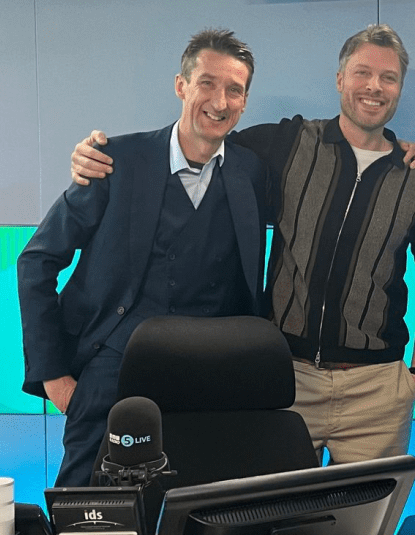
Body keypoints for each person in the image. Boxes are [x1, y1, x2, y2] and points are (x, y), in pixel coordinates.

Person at [70, 24, 415, 466]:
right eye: (362, 73)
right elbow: (198, 140)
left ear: (399, 88)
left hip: (378, 393)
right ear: (340, 79)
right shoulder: (287, 143)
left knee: (367, 513)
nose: (374, 87)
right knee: (277, 510)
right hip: (284, 381)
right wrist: (96, 155)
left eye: (388, 78)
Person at [18, 28, 271, 487]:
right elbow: (37, 260)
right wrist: (52, 374)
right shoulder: (114, 160)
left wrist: (400, 149)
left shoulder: (250, 171)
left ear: (245, 101)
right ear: (181, 85)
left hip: (210, 381)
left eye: (234, 90)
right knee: (85, 514)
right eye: (207, 83)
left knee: (199, 513)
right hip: (112, 371)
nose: (220, 101)